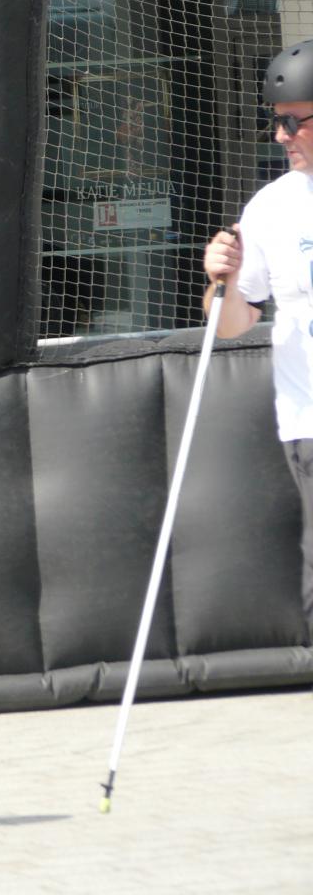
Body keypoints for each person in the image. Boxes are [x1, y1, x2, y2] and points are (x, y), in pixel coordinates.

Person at [202, 37, 313, 630]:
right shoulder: (270, 208)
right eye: (276, 123)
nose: (280, 136)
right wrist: (222, 278)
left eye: (293, 121)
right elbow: (234, 322)